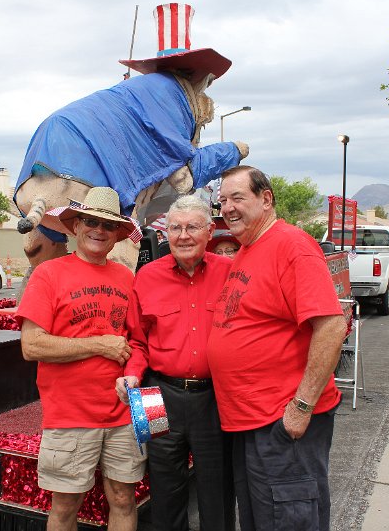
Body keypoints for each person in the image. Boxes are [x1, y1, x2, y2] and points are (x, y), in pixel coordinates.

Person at [208, 166, 347, 531]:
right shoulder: (248, 249)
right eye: (223, 200)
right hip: (250, 421)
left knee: (291, 519)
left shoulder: (292, 245)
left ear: (265, 199)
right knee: (261, 519)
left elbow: (331, 326)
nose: (228, 208)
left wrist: (301, 406)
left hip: (282, 421)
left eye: (238, 198)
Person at [15, 187, 146, 531]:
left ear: (118, 235)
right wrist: (99, 345)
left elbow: (136, 342)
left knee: (122, 499)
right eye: (90, 222)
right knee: (65, 506)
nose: (98, 231)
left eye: (107, 225)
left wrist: (132, 372)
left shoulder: (126, 278)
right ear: (75, 227)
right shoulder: (48, 274)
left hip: (122, 414)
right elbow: (32, 346)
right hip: (70, 416)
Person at [116, 195, 235, 531]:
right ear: (165, 232)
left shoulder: (230, 273)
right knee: (164, 493)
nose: (183, 235)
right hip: (155, 396)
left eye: (192, 227)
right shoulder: (147, 276)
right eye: (176, 228)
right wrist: (131, 375)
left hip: (215, 397)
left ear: (209, 231)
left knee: (217, 490)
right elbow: (138, 341)